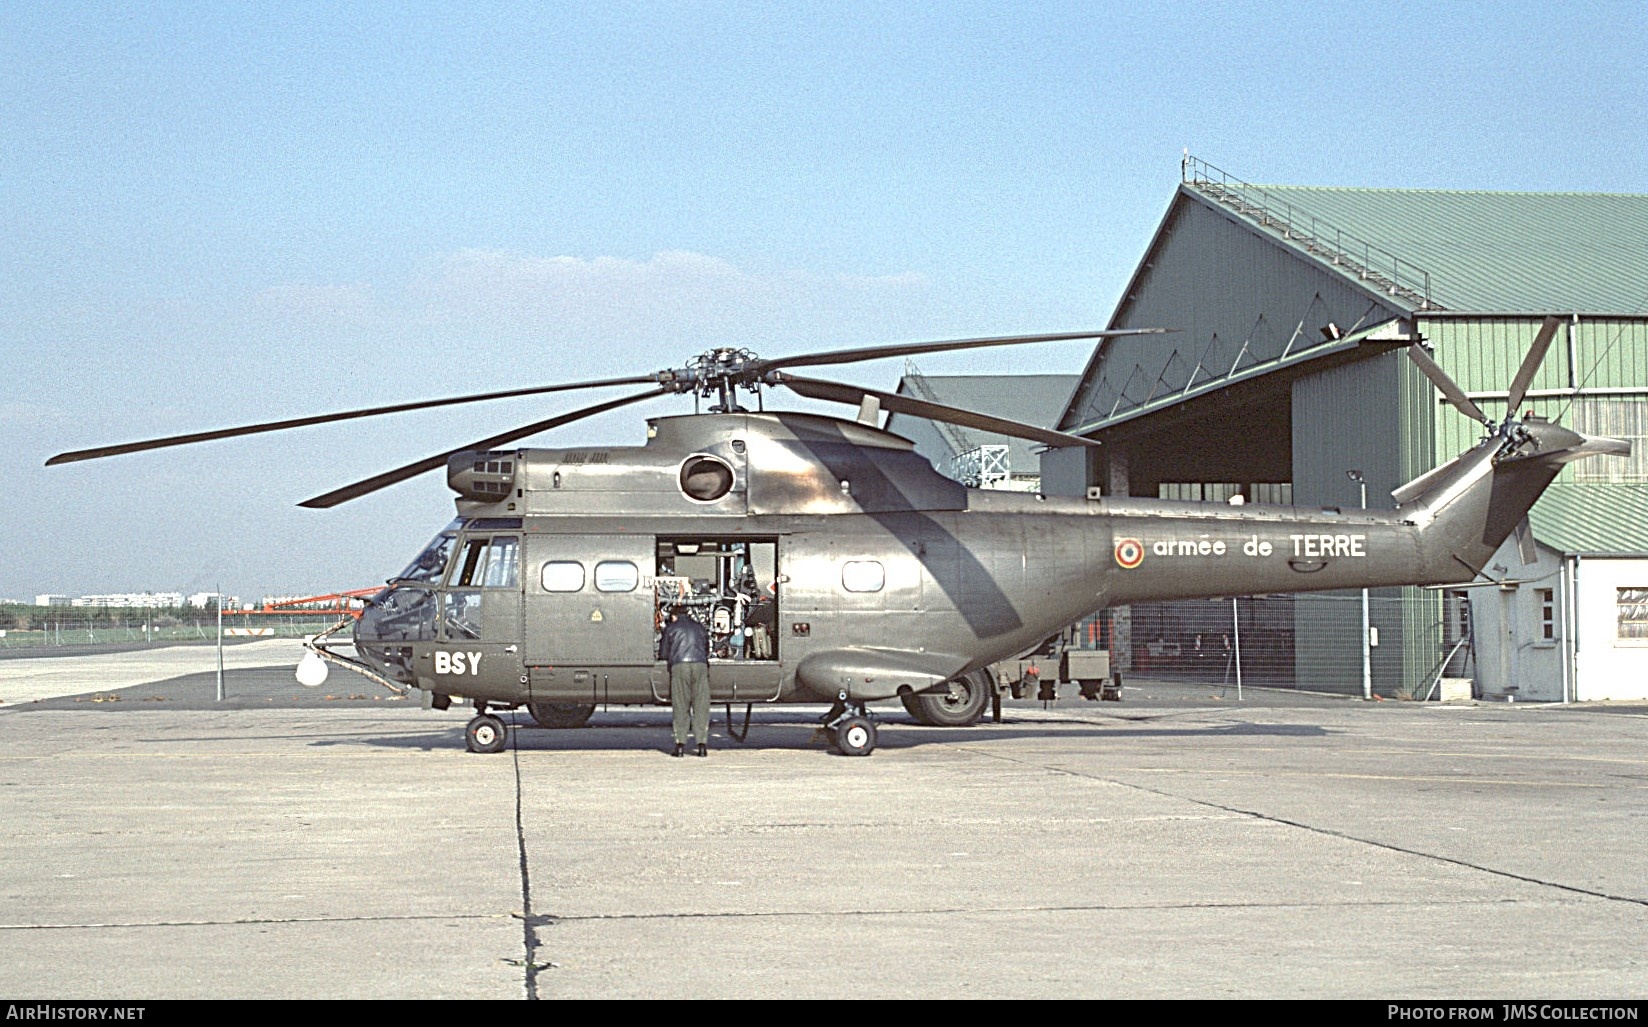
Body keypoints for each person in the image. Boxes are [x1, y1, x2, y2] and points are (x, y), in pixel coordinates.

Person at [660, 604, 711, 757]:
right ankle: (701, 745)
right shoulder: (700, 627)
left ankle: (680, 745)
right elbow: (707, 649)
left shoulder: (671, 628)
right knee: (701, 705)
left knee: (681, 705)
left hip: (680, 666)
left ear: (673, 616)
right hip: (700, 665)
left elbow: (663, 653)